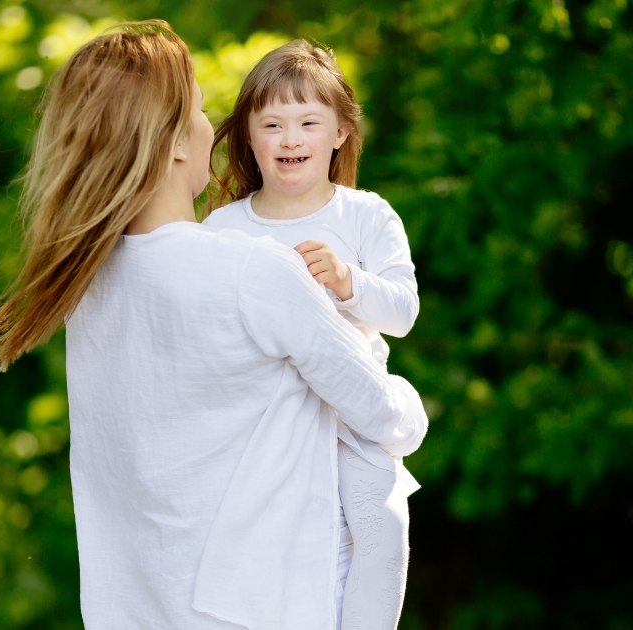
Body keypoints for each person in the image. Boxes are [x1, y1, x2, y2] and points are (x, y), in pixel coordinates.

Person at [0, 21, 427, 630]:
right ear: (175, 143)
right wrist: (403, 396)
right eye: (201, 110)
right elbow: (388, 420)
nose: (211, 130)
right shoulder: (254, 273)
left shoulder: (88, 290)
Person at [202, 40, 421, 630]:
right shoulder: (224, 228)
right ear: (249, 136)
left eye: (308, 123)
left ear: (341, 133)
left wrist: (349, 281)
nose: (291, 138)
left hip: (353, 419)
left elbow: (403, 311)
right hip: (264, 425)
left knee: (382, 524)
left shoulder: (365, 216)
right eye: (272, 124)